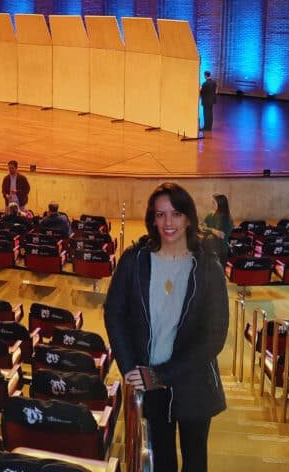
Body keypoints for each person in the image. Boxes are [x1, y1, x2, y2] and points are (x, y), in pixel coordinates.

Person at [104, 182, 229, 472]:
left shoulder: (207, 267)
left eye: (175, 214)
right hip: (150, 384)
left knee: (195, 460)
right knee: (161, 462)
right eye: (160, 215)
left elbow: (214, 336)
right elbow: (114, 313)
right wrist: (129, 368)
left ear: (188, 218)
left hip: (194, 382)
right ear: (152, 219)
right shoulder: (134, 261)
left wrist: (163, 375)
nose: (168, 222)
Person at [203, 194, 233, 260]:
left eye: (213, 202)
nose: (211, 204)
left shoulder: (227, 219)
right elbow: (201, 227)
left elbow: (220, 236)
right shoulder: (210, 215)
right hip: (208, 249)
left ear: (220, 204)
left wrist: (209, 230)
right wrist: (213, 230)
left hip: (221, 251)